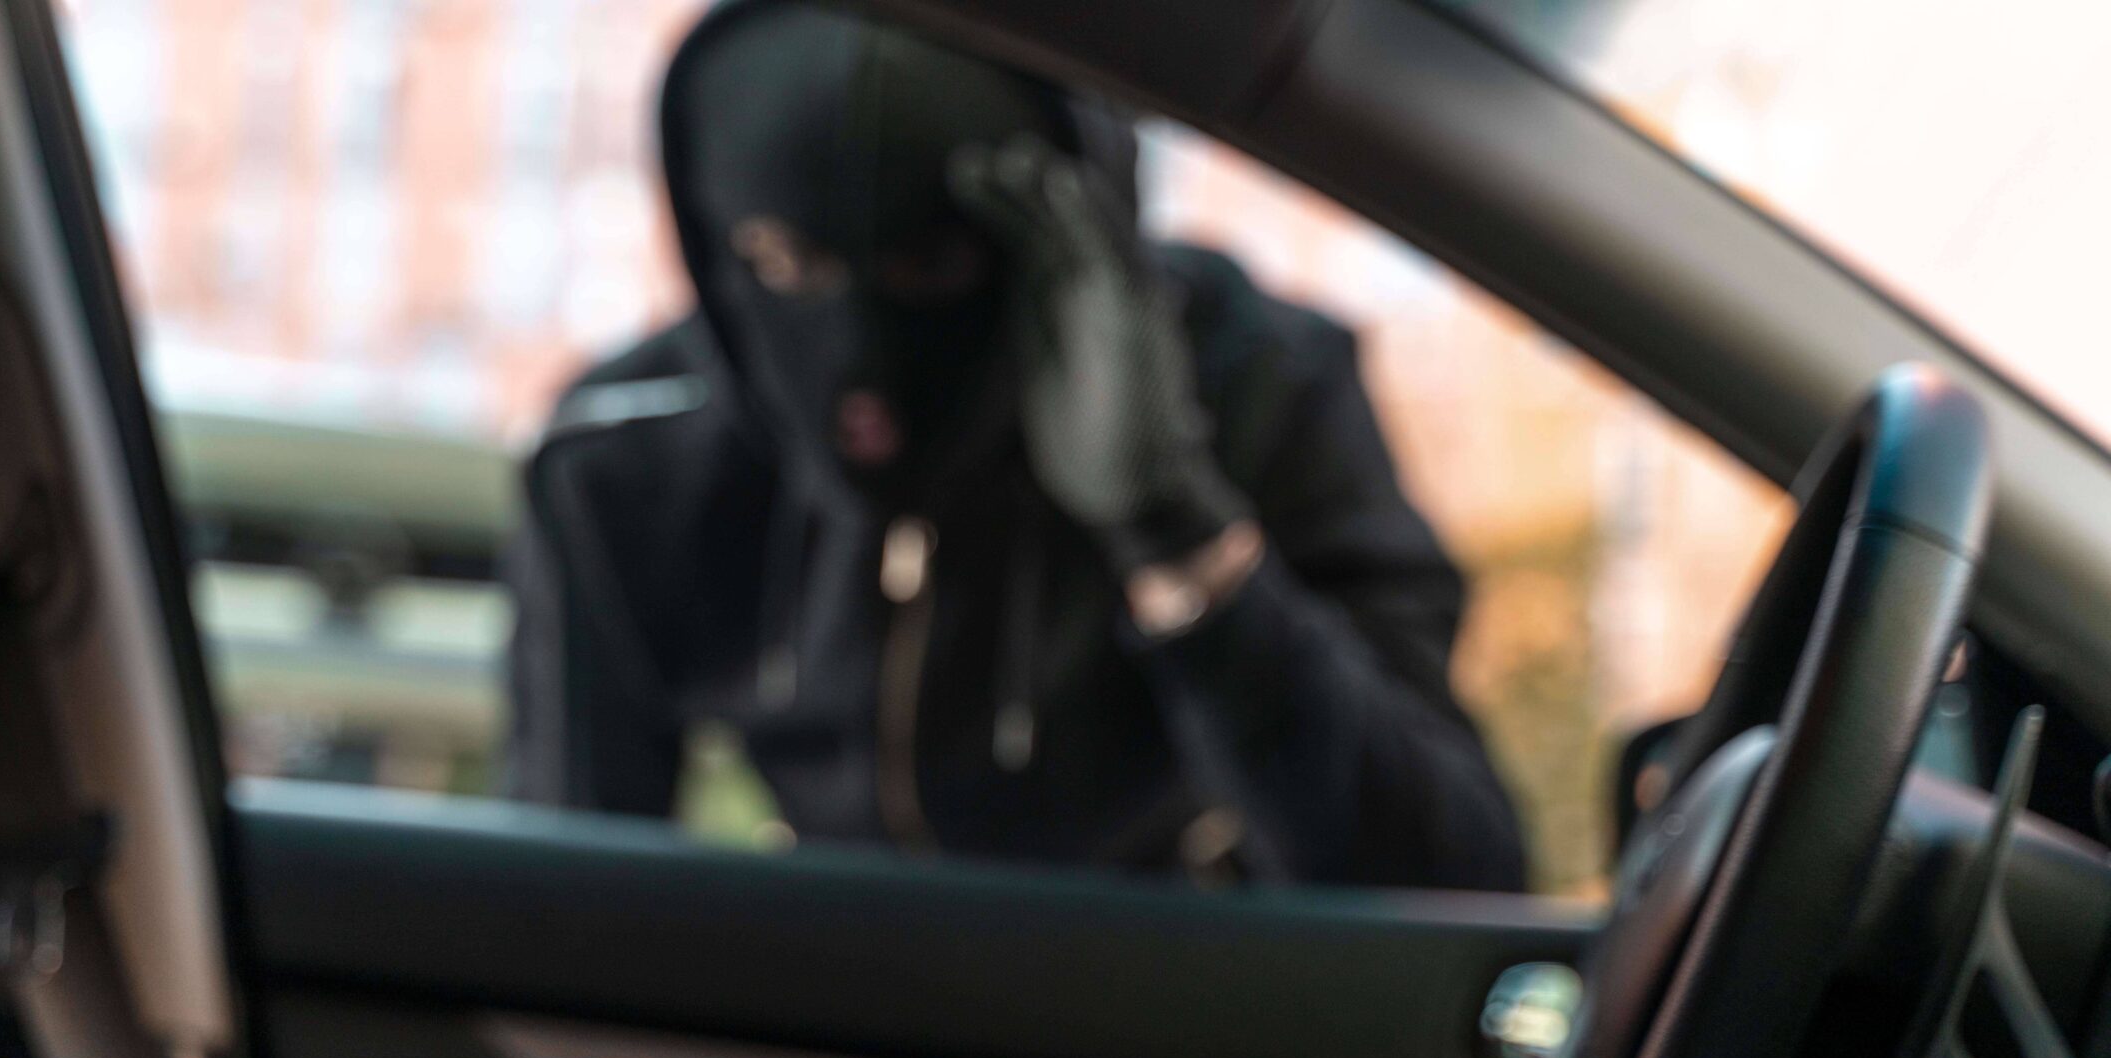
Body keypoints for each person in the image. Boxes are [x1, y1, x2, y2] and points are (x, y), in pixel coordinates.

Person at [501, 0, 1526, 890]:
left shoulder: (1256, 382)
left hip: (1164, 1031)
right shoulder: (633, 455)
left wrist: (1175, 529)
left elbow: (1445, 876)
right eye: (786, 264)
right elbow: (565, 899)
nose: (858, 363)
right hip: (820, 1049)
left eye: (931, 267)